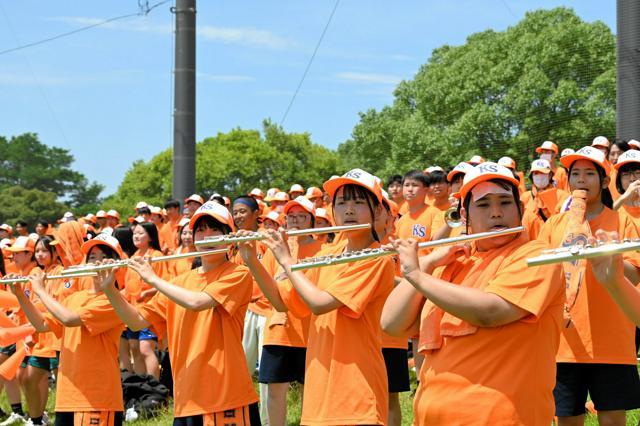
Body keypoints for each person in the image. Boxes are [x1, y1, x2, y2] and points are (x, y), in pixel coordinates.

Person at [381, 162, 565, 425]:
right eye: (483, 205)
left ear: (520, 209)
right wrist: (429, 262)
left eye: (504, 203)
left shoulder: (538, 256)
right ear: (464, 216)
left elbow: (491, 311)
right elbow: (391, 323)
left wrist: (416, 274)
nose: (496, 213)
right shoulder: (453, 262)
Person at [100, 201, 260, 425]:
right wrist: (109, 289)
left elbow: (197, 302)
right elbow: (136, 321)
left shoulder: (238, 273)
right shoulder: (179, 282)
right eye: (201, 230)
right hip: (186, 397)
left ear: (228, 236)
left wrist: (153, 279)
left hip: (227, 396)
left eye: (215, 229)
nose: (207, 236)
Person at [256, 169, 394, 425]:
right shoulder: (330, 253)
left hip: (357, 390)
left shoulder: (376, 258)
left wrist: (286, 261)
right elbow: (279, 301)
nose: (349, 210)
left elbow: (320, 304)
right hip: (320, 391)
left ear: (376, 211)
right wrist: (250, 259)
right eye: (341, 202)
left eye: (358, 202)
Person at [537, 146, 640, 426]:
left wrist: (613, 263)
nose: (581, 180)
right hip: (564, 344)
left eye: (589, 174)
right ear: (568, 181)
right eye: (576, 174)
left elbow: (634, 275)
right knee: (567, 419)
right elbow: (541, 276)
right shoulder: (554, 225)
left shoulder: (623, 222)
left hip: (613, 343)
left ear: (605, 182)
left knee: (612, 421)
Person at [10, 234, 126, 426]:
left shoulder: (114, 301)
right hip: (67, 398)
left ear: (117, 264)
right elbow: (42, 325)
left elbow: (70, 319)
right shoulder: (74, 298)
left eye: (103, 256)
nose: (96, 262)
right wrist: (21, 295)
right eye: (92, 257)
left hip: (97, 399)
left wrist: (40, 290)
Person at [239, 196, 323, 426]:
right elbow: (269, 285)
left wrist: (289, 276)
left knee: (310, 388)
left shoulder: (323, 249)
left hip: (309, 328)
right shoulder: (274, 248)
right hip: (278, 326)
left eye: (302, 216)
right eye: (291, 217)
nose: (295, 221)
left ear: (312, 221)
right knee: (274, 387)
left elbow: (315, 289)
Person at [121, 222, 166, 378]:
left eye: (140, 233)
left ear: (150, 237)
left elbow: (163, 283)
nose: (136, 236)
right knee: (134, 348)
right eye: (135, 233)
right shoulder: (133, 257)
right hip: (133, 311)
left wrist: (146, 294)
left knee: (146, 348)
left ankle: (154, 388)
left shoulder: (156, 256)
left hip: (150, 310)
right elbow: (128, 286)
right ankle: (142, 386)